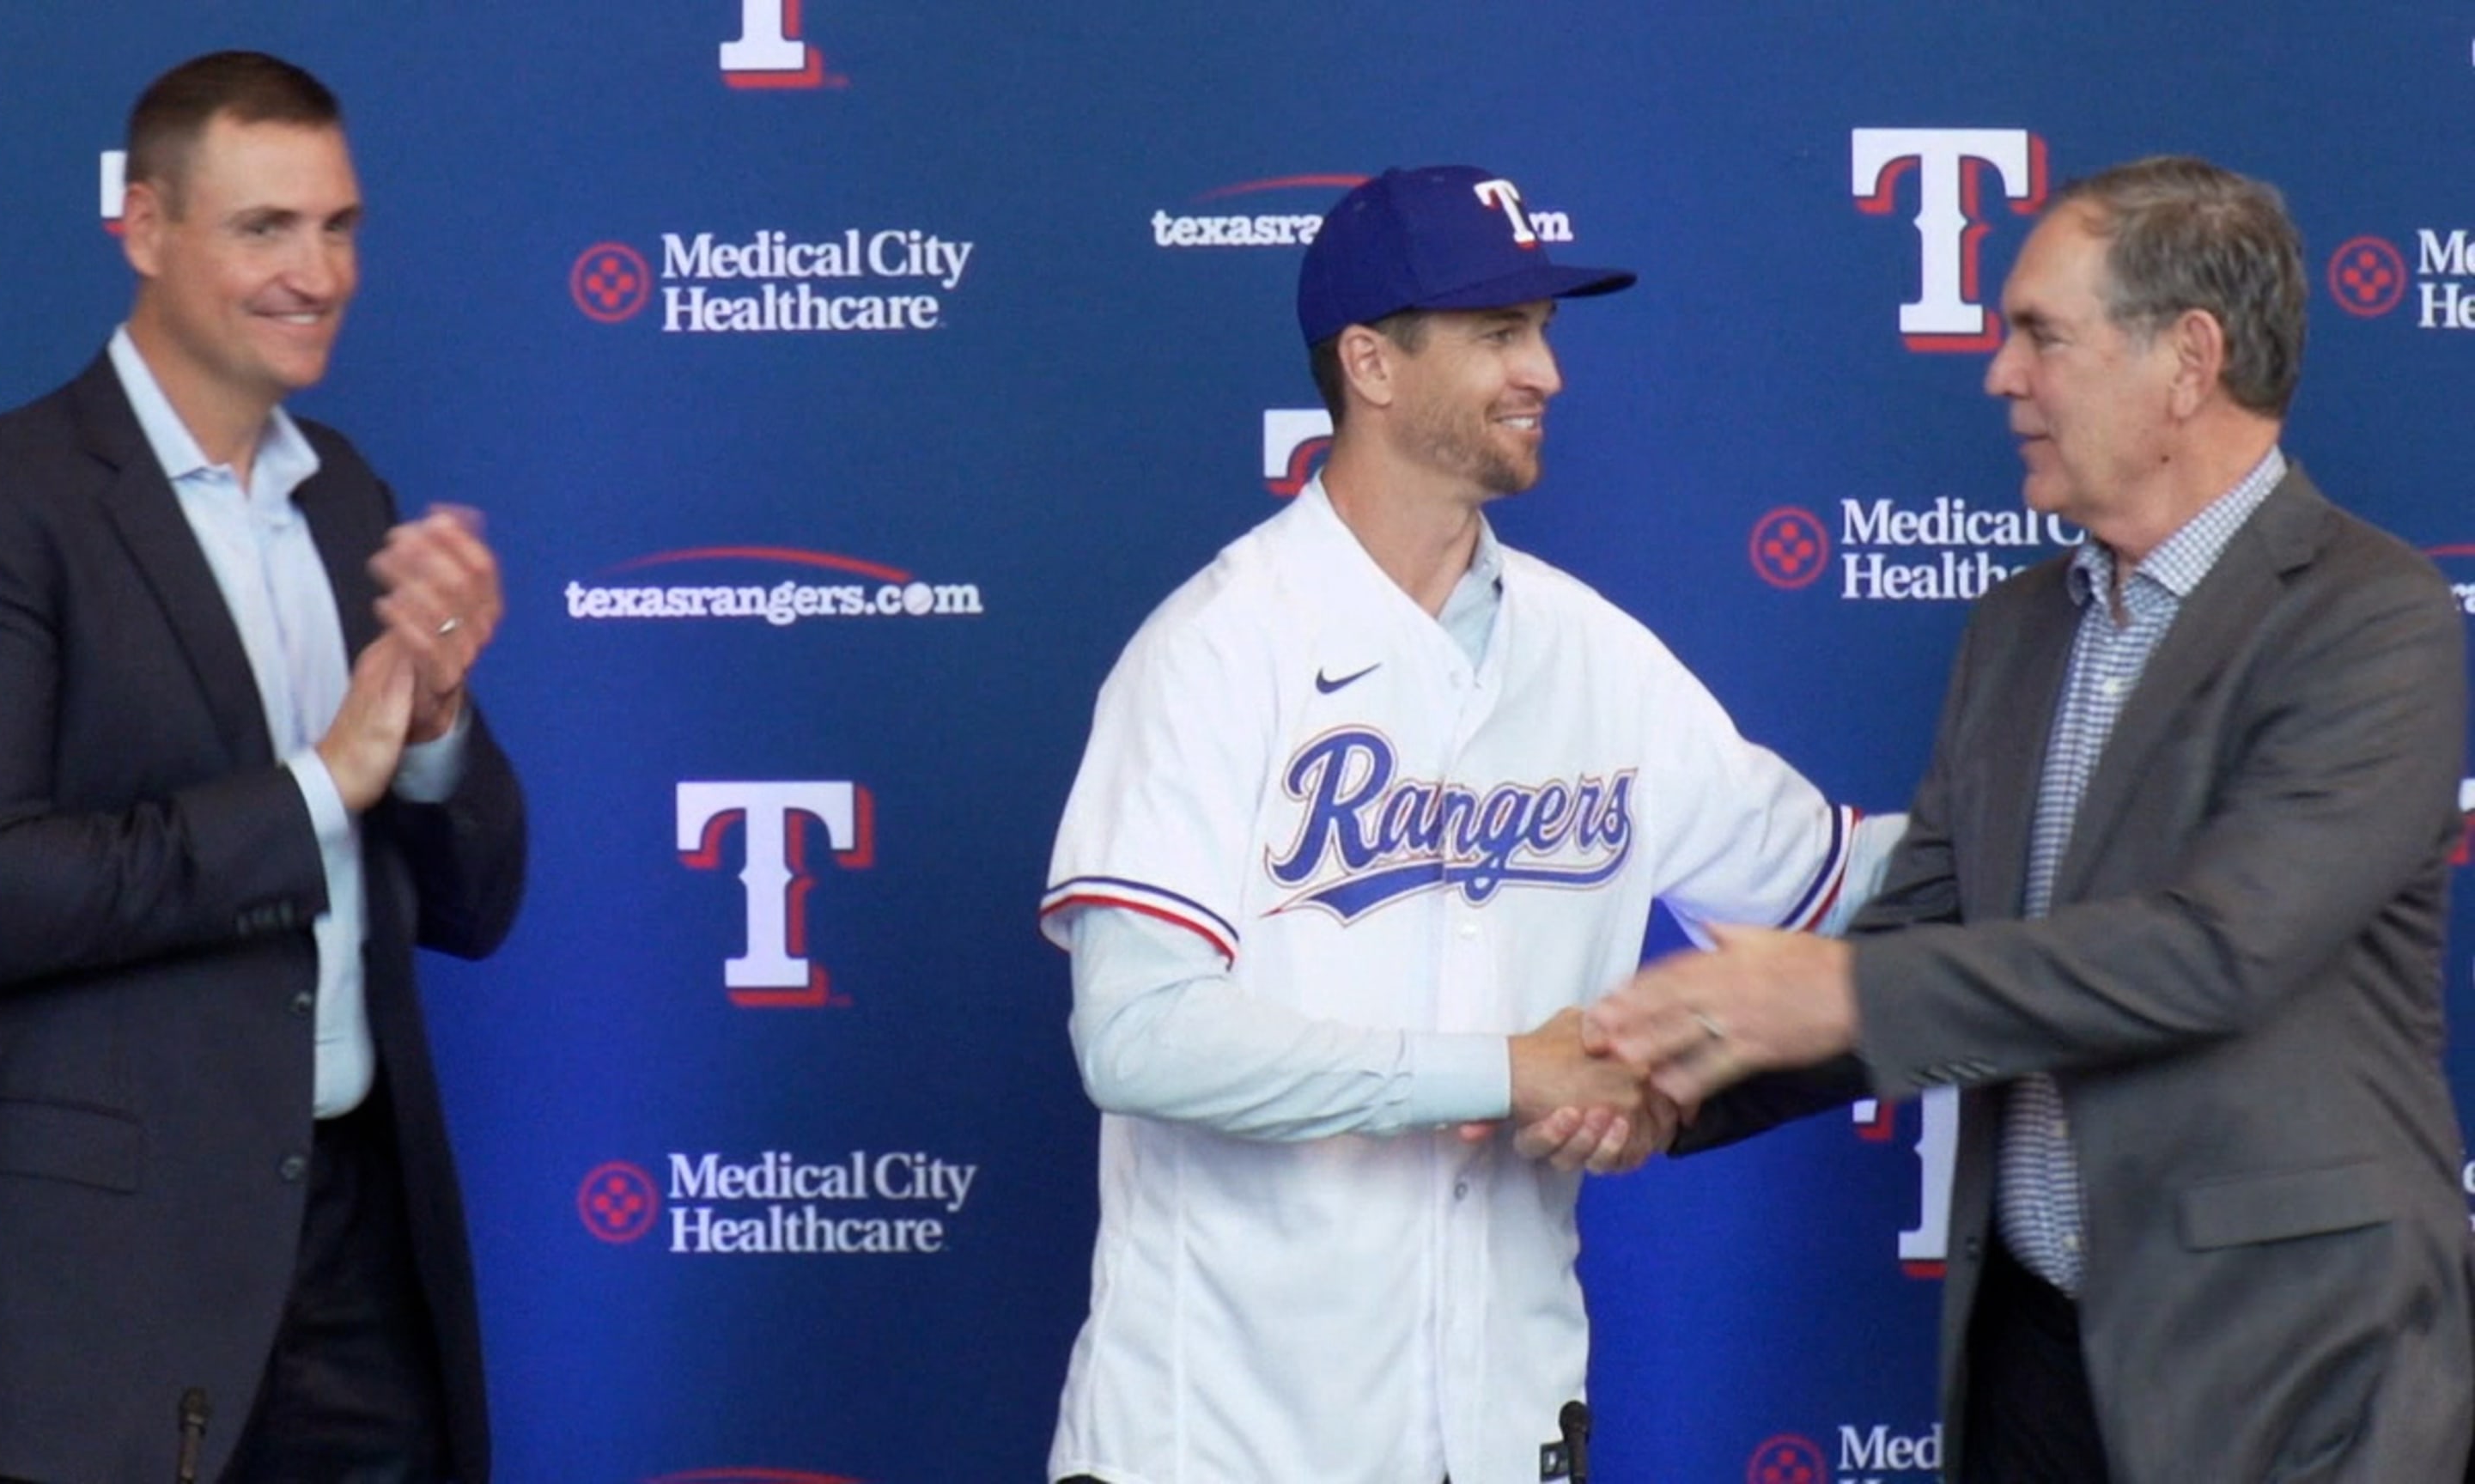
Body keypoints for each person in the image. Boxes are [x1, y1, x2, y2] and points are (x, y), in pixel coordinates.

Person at [1591, 156, 2475, 1481]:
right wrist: (1656, 1081)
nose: (2000, 373)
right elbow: (1921, 935)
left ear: (2189, 360)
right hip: (2031, 1363)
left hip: (2292, 1363)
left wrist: (1839, 993)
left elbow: (2217, 951)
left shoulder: (2372, 619)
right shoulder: (2014, 629)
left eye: (2041, 336)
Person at [1037, 165, 1900, 1484]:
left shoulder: (1597, 656)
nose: (1546, 371)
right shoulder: (1216, 652)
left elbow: (1839, 887)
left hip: (1502, 1427)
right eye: (1499, 333)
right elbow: (1140, 1035)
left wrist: (2093, 804)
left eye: (1545, 331)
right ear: (1372, 365)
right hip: (1221, 1439)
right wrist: (1512, 1071)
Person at [0, 52, 527, 1484]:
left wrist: (436, 731)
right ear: (144, 230)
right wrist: (316, 784)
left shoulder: (348, 495)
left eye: (338, 226)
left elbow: (472, 906)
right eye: (264, 229)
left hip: (352, 1267)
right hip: (85, 1298)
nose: (317, 273)